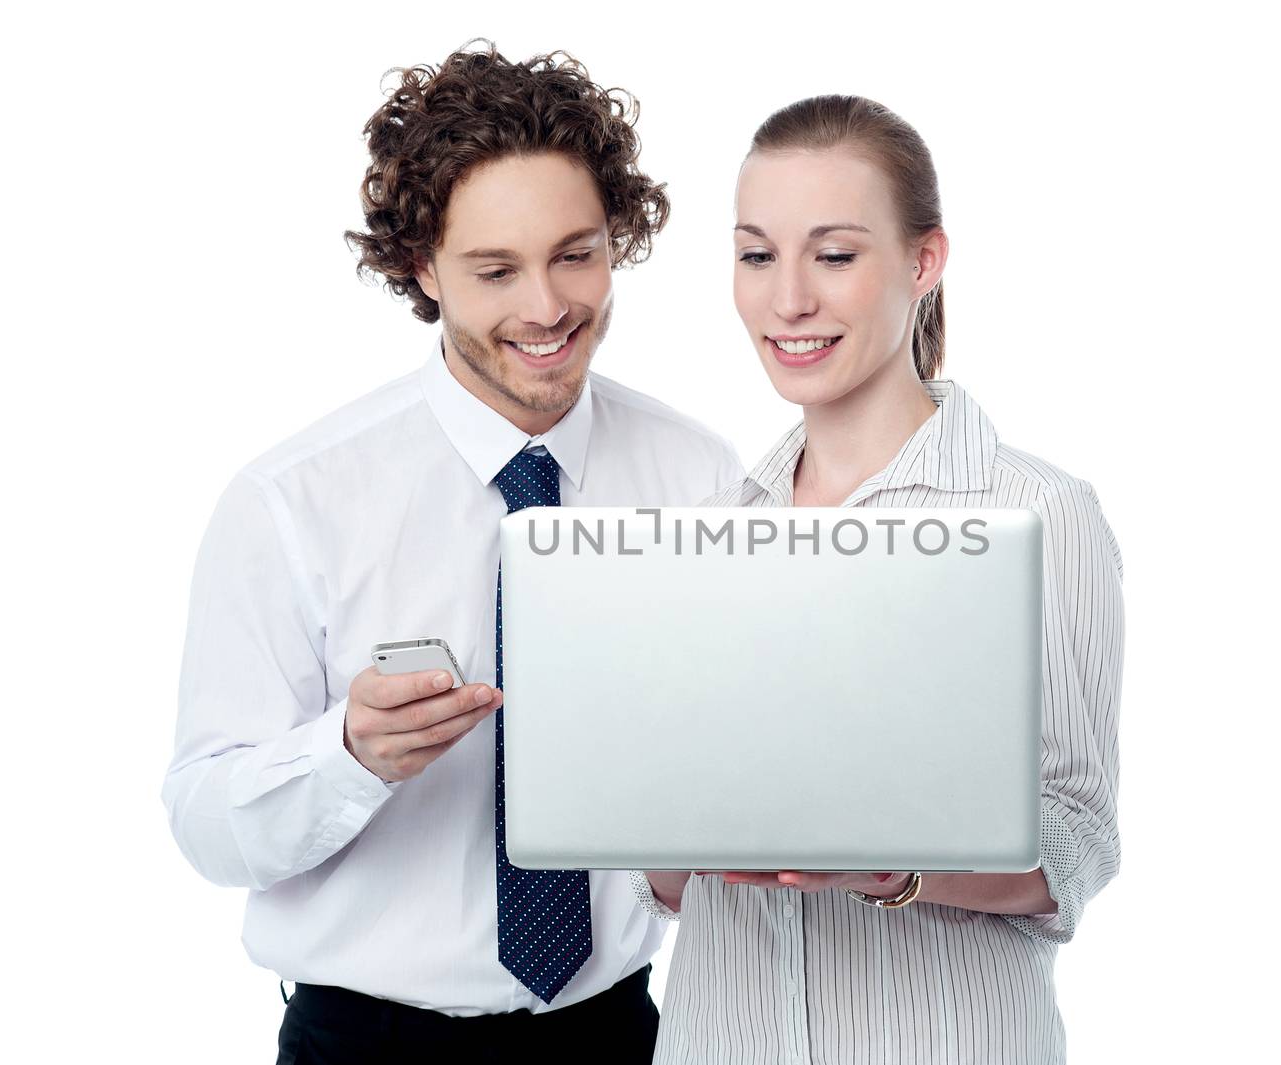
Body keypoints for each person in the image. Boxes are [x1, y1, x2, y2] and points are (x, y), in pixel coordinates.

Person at [161, 43, 742, 1064]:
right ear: (423, 267)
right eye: (494, 269)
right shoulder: (293, 502)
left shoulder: (697, 474)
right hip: (366, 1043)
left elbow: (730, 775)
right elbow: (208, 825)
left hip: (617, 1034)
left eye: (577, 253)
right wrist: (345, 756)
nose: (547, 308)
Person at [636, 95, 1125, 1064]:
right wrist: (647, 803)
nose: (787, 302)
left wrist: (890, 867)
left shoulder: (1036, 512)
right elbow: (674, 890)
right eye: (755, 254)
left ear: (922, 261)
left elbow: (1077, 839)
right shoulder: (706, 530)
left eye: (834, 254)